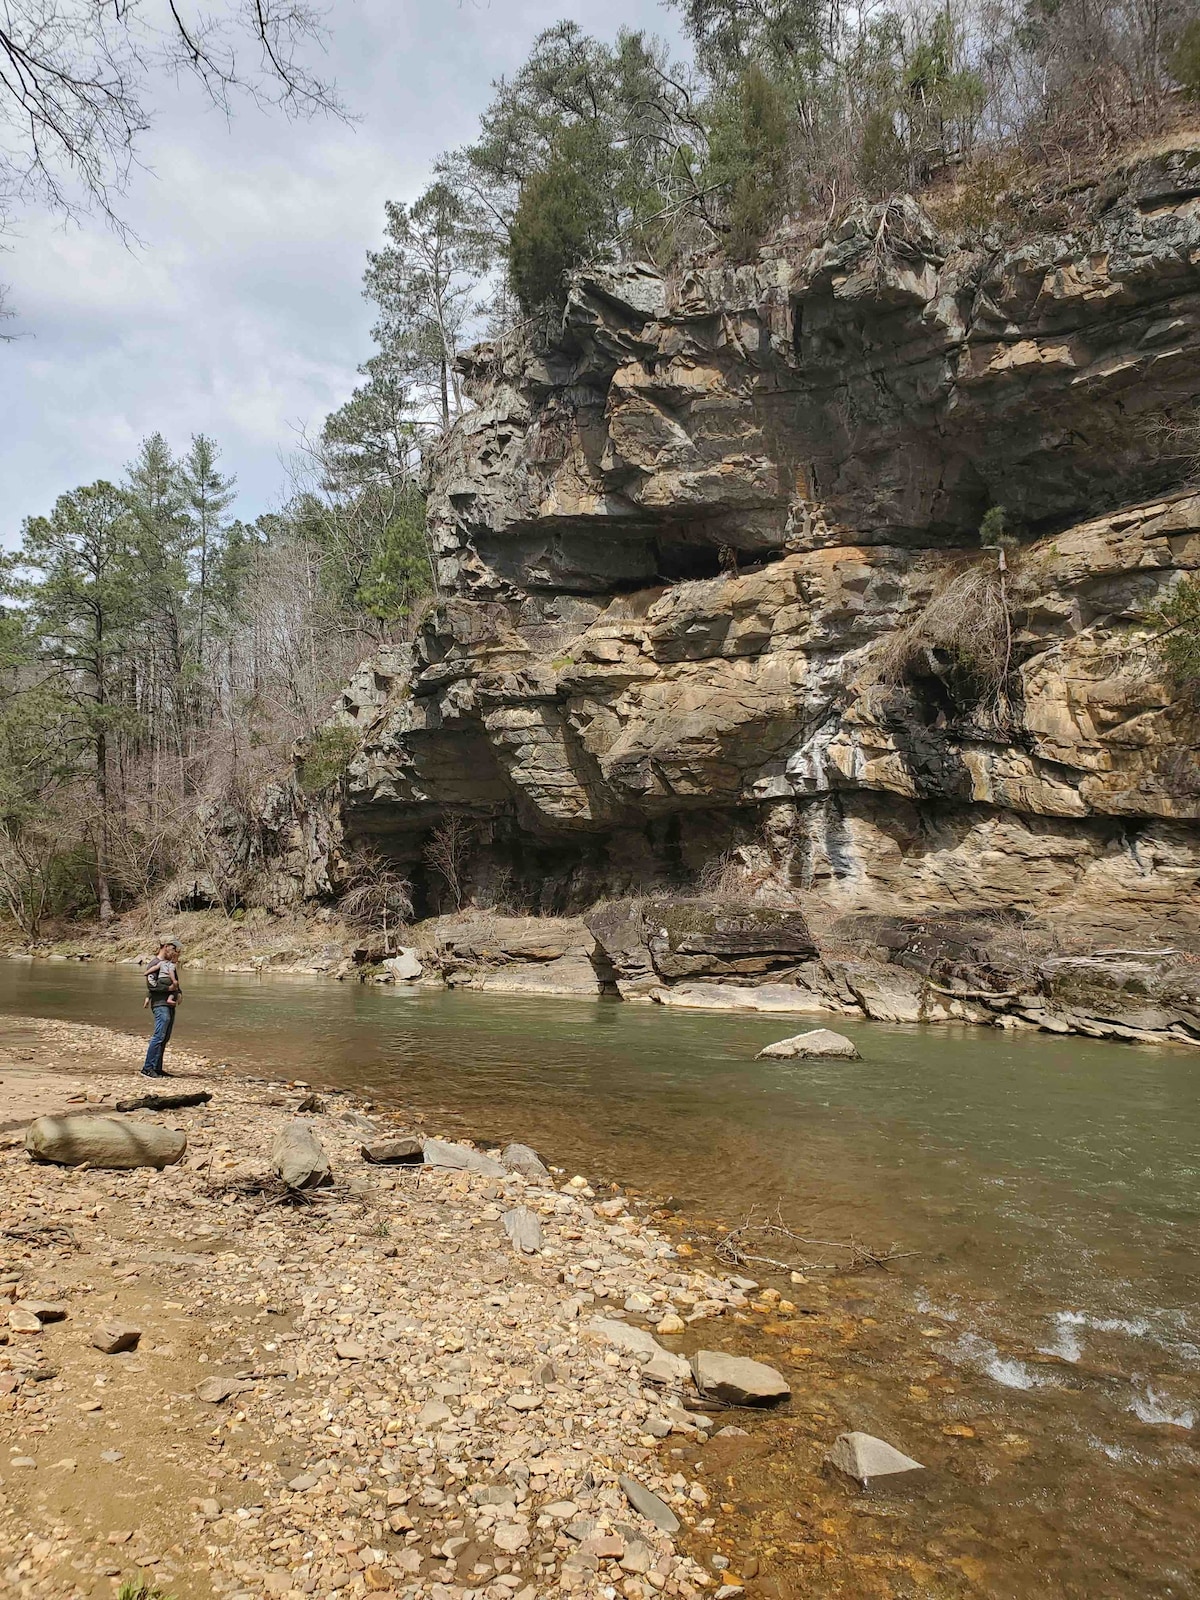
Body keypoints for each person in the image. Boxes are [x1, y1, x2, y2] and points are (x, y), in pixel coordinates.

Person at [142, 940, 182, 1078]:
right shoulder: (154, 964)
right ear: (165, 947)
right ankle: (147, 1068)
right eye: (173, 948)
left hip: (169, 1004)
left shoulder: (170, 964)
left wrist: (179, 992)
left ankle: (157, 1068)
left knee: (165, 1037)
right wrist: (168, 989)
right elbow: (151, 985)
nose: (175, 952)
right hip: (159, 1004)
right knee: (159, 1036)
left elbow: (174, 980)